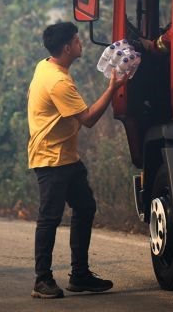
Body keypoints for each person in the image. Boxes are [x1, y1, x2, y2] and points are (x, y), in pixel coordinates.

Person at [27, 22, 128, 299]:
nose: (81, 43)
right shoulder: (58, 81)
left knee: (85, 206)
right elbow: (88, 120)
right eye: (77, 40)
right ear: (67, 47)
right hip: (51, 158)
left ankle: (80, 275)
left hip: (66, 156)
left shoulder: (46, 65)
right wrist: (113, 87)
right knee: (49, 218)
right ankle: (42, 280)